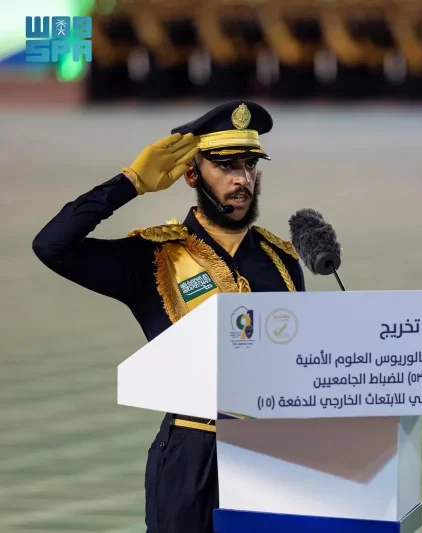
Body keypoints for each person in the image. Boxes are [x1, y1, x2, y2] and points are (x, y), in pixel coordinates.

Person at [32, 101, 305, 533]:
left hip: (271, 452)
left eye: (249, 165)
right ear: (192, 175)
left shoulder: (282, 260)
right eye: (225, 166)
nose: (242, 179)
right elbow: (52, 246)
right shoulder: (153, 257)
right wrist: (130, 183)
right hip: (191, 454)